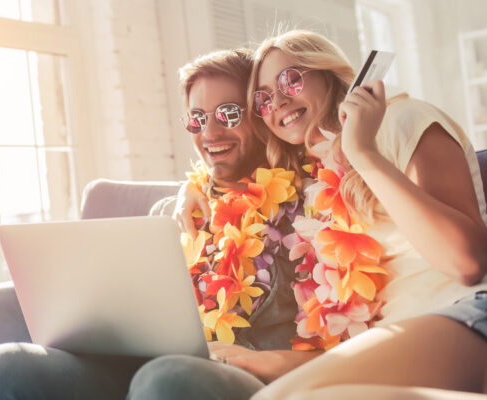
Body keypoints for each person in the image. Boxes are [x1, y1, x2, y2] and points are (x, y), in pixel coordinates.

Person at [0, 48, 299, 400]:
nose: (209, 133)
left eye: (228, 114)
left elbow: (348, 345)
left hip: (237, 379)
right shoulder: (169, 214)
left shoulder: (301, 216)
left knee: (166, 379)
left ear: (260, 114)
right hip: (137, 368)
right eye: (197, 118)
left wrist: (263, 359)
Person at [172, 30, 487, 398]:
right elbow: (241, 179)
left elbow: (467, 263)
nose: (279, 102)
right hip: (396, 337)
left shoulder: (401, 118)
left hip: (463, 311)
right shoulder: (314, 177)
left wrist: (364, 154)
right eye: (263, 99)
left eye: (291, 80)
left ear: (327, 72)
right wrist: (192, 189)